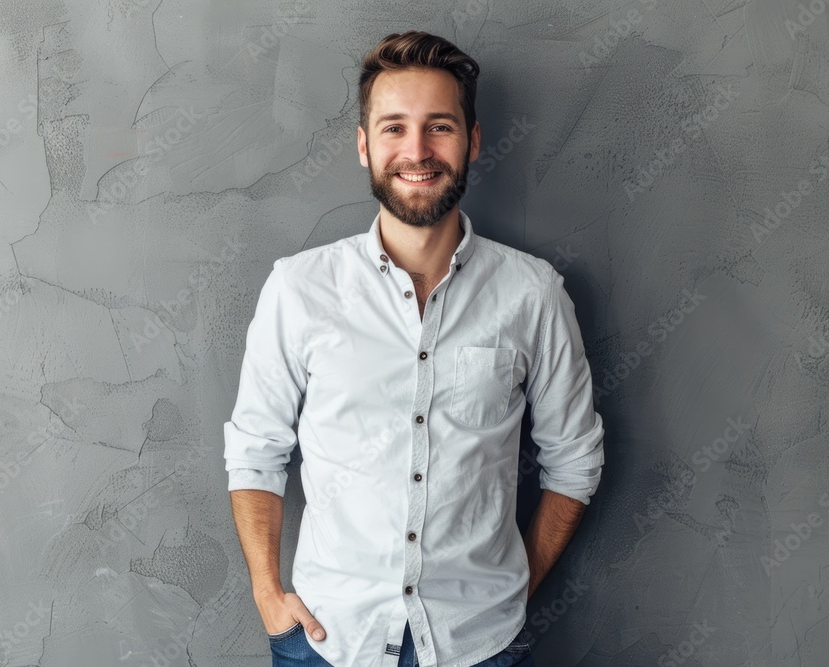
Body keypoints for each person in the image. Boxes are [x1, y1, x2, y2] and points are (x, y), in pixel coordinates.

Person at [224, 30, 605, 667]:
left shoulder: (532, 294)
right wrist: (268, 592)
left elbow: (576, 461)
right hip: (326, 644)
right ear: (364, 143)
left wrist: (511, 592)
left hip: (483, 646)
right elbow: (255, 449)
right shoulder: (298, 288)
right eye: (394, 127)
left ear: (473, 141)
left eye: (440, 127)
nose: (417, 151)